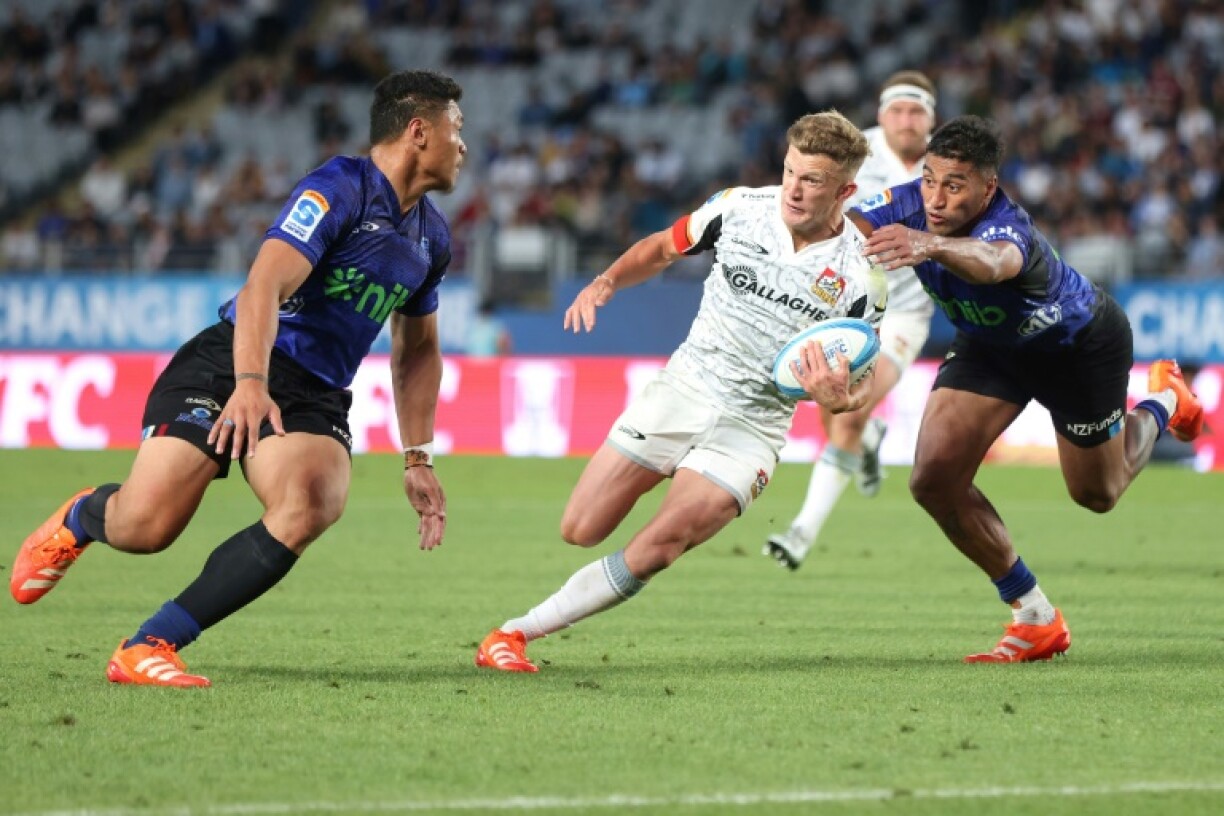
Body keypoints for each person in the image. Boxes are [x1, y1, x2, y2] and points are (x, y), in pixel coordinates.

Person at [10, 69, 467, 687]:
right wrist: (249, 382)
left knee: (311, 502)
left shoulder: (432, 238)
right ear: (419, 131)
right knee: (147, 528)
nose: (463, 145)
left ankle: (151, 644)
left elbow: (417, 354)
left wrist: (418, 454)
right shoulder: (340, 188)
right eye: (455, 129)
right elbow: (263, 285)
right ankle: (85, 517)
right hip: (235, 359)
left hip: (314, 391)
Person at [474, 111, 889, 673]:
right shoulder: (739, 208)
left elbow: (862, 377)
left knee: (661, 547)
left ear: (846, 190)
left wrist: (839, 401)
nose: (792, 188)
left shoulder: (863, 276)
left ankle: (513, 635)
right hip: (684, 388)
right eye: (790, 170)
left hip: (754, 426)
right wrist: (606, 282)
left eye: (812, 180)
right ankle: (659, 468)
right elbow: (662, 248)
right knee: (580, 528)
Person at [849, 115, 1203, 663]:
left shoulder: (1006, 226)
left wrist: (926, 246)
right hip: (991, 347)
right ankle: (1034, 615)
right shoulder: (909, 203)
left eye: (954, 185)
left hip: (1077, 348)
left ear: (987, 188)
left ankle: (1166, 401)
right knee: (933, 479)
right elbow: (843, 226)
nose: (936, 199)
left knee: (1097, 494)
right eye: (930, 180)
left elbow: (994, 264)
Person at [765, 70, 938, 571]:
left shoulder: (943, 168)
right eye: (898, 111)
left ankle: (801, 532)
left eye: (917, 112)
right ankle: (867, 443)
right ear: (882, 116)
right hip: (841, 304)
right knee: (835, 408)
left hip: (904, 314)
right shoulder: (856, 157)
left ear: (931, 118)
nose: (907, 121)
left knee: (852, 408)